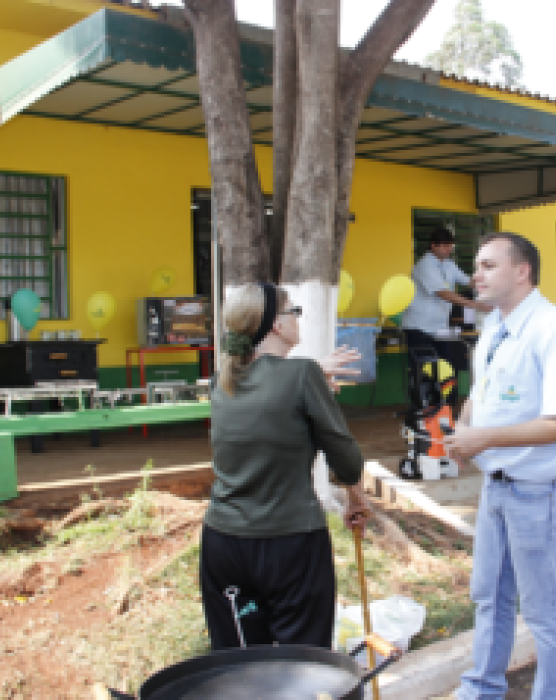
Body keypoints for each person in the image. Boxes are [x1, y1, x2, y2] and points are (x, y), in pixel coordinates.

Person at [444, 233, 556, 700]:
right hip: (498, 487)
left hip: (542, 490)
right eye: (476, 266)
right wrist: (464, 431)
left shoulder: (555, 329)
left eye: (488, 265)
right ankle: (482, 688)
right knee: (489, 598)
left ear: (522, 271)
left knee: (546, 612)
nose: (476, 275)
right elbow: (480, 393)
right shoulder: (494, 326)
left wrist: (483, 438)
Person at [200, 282, 371, 650]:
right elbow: (346, 458)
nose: (299, 319)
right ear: (275, 325)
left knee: (239, 660)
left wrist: (313, 380)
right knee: (302, 662)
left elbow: (270, 396)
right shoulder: (302, 376)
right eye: (294, 311)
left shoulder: (221, 380)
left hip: (223, 545)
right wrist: (356, 500)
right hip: (289, 547)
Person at [402, 227, 492, 400]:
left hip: (440, 328)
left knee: (446, 368)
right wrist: (475, 304)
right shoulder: (424, 265)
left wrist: (486, 278)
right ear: (433, 246)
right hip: (418, 327)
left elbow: (468, 281)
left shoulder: (449, 264)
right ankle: (424, 410)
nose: (447, 250)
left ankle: (445, 407)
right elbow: (442, 292)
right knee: (424, 371)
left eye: (450, 246)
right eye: (443, 246)